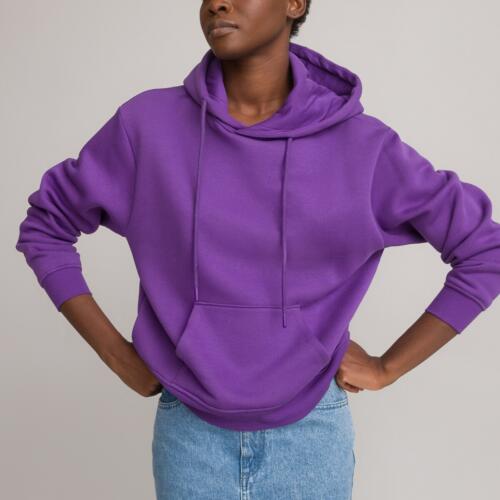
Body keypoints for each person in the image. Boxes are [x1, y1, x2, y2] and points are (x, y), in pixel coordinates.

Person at [15, 1, 500, 499]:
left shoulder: (363, 147)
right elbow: (46, 227)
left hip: (311, 434)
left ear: (294, 4)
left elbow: (486, 252)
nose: (217, 3)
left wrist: (386, 367)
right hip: (189, 430)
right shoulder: (147, 127)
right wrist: (117, 356)